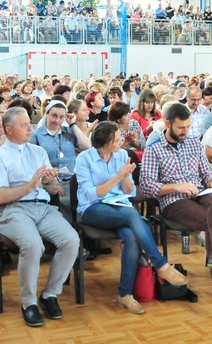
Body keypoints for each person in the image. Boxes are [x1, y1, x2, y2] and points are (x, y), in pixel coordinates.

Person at [140, 104, 212, 309]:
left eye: (188, 127)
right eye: (181, 128)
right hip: (174, 200)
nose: (185, 132)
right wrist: (176, 186)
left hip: (200, 193)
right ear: (168, 124)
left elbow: (206, 174)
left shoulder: (193, 144)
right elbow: (147, 186)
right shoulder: (153, 150)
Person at [75, 122, 187, 314]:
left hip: (119, 207)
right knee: (131, 214)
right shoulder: (84, 159)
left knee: (132, 236)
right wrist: (118, 177)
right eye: (116, 139)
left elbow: (130, 192)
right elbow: (92, 195)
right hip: (92, 209)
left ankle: (124, 295)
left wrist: (126, 176)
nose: (121, 142)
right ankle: (160, 264)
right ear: (105, 143)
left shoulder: (121, 155)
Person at [0, 107, 80, 327]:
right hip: (12, 209)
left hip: (42, 208)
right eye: (24, 124)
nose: (31, 127)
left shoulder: (37, 152)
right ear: (9, 130)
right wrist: (30, 186)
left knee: (71, 240)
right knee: (33, 245)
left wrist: (50, 181)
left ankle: (49, 294)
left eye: (30, 122)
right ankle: (28, 303)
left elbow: (52, 189)